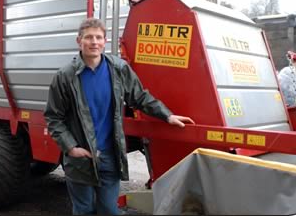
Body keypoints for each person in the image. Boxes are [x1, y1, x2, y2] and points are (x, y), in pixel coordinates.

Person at [44, 18, 194, 215]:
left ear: (104, 41)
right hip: (81, 158)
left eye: (98, 37)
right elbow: (54, 117)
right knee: (83, 210)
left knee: (109, 209)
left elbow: (140, 97)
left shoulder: (118, 69)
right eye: (88, 37)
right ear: (79, 40)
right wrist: (71, 148)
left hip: (110, 156)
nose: (94, 42)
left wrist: (167, 116)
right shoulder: (65, 76)